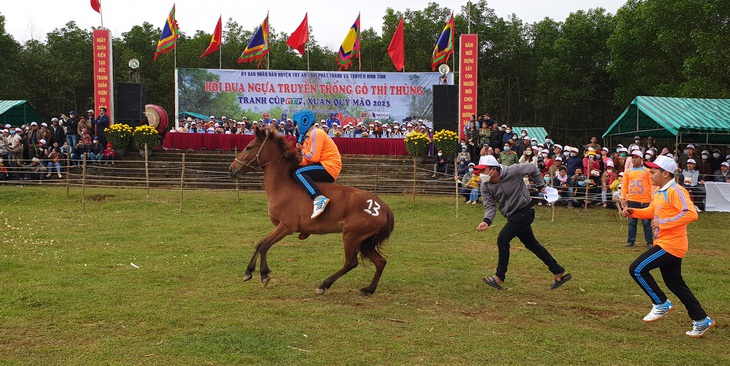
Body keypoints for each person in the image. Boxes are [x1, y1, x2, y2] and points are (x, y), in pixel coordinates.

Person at [621, 155, 715, 338]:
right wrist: (633, 212)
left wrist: (665, 222)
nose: (650, 175)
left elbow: (691, 214)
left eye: (653, 172)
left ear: (665, 173)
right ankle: (701, 319)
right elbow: (651, 212)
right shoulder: (659, 191)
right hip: (665, 243)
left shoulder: (676, 191)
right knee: (676, 284)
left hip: (671, 245)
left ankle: (661, 303)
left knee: (637, 269)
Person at [476, 155, 572, 290]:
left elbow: (532, 168)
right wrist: (487, 221)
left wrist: (541, 186)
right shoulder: (485, 186)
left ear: (494, 169)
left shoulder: (513, 170)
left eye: (483, 170)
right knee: (532, 244)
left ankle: (499, 277)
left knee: (503, 239)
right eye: (479, 171)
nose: (481, 174)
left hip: (525, 211)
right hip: (512, 216)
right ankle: (557, 271)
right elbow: (490, 205)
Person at [292, 110, 342, 219]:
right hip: (323, 165)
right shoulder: (307, 139)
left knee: (298, 173)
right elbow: (306, 161)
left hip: (329, 166)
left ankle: (319, 198)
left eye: (296, 124)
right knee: (296, 172)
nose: (296, 127)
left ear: (303, 122)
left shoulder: (316, 133)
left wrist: (302, 151)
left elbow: (314, 157)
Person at [621, 150, 653, 248]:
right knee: (632, 222)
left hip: (645, 200)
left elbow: (652, 185)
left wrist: (652, 198)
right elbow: (624, 185)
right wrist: (623, 197)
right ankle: (631, 240)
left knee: (646, 222)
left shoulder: (647, 171)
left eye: (636, 157)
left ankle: (649, 241)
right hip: (632, 199)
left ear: (641, 159)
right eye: (633, 158)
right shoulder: (628, 171)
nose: (634, 159)